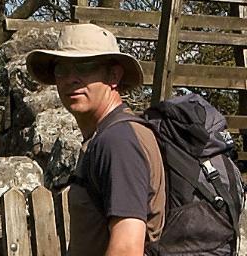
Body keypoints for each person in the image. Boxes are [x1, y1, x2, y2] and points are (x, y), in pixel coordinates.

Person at [26, 24, 165, 256]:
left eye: (85, 66)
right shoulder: (106, 136)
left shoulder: (117, 142)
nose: (71, 79)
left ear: (114, 76)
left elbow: (127, 249)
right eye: (61, 69)